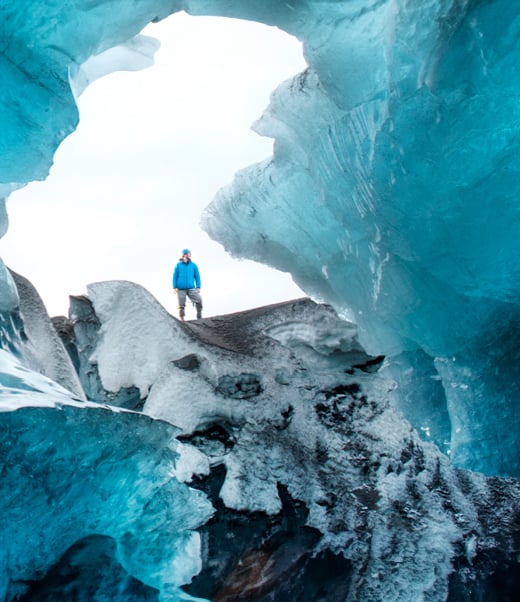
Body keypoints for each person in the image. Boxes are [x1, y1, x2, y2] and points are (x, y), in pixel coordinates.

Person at [173, 248, 203, 320]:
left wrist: (198, 286)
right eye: (189, 253)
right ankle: (182, 318)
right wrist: (174, 287)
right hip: (180, 288)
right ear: (185, 255)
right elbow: (175, 276)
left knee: (199, 300)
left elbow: (197, 276)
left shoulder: (193, 265)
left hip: (191, 288)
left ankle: (199, 315)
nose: (190, 255)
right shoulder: (178, 265)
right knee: (181, 305)